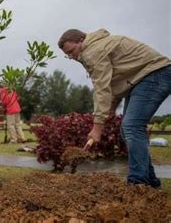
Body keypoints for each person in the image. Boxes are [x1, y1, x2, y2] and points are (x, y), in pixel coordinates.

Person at [58, 28, 170, 188]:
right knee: (128, 129)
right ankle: (149, 182)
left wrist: (97, 128)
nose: (71, 56)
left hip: (154, 74)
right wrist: (108, 112)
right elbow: (114, 84)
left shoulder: (93, 52)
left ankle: (138, 184)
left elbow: (101, 89)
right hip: (142, 79)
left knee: (132, 126)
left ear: (81, 40)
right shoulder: (96, 47)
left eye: (72, 51)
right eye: (67, 55)